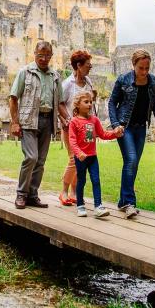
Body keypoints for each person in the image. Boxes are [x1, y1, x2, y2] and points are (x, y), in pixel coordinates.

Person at [9, 41, 70, 209]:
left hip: (47, 121)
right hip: (28, 121)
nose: (43, 59)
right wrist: (14, 123)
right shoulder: (25, 72)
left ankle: (32, 195)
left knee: (40, 161)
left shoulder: (55, 76)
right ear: (34, 54)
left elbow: (61, 103)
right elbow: (13, 98)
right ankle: (21, 194)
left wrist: (68, 119)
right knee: (31, 157)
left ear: (51, 56)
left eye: (47, 55)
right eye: (40, 55)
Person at [108, 49, 155, 219]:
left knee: (133, 164)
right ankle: (129, 203)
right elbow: (112, 103)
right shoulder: (123, 79)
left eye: (147, 68)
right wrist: (116, 125)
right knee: (131, 160)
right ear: (134, 65)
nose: (145, 72)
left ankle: (122, 201)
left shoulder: (153, 82)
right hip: (125, 128)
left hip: (141, 128)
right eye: (141, 68)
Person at [69, 91, 122, 218]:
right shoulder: (74, 122)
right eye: (86, 102)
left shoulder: (94, 120)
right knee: (81, 181)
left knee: (96, 180)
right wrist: (79, 153)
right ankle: (80, 206)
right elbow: (72, 140)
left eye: (91, 102)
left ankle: (98, 207)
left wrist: (115, 133)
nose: (89, 104)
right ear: (77, 104)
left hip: (92, 157)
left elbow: (103, 134)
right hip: (81, 158)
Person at [59, 50, 94, 206]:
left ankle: (74, 192)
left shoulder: (89, 83)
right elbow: (59, 103)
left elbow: (91, 103)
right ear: (78, 66)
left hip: (85, 129)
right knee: (74, 159)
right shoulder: (67, 84)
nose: (90, 67)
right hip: (70, 128)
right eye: (87, 65)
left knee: (82, 160)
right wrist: (68, 119)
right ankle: (64, 191)